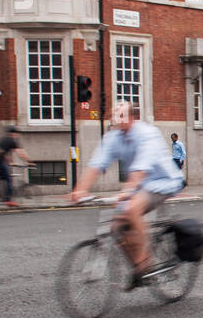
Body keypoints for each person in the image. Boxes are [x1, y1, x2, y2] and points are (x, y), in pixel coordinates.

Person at [71, 102, 185, 285]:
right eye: (116, 116)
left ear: (132, 118)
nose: (118, 120)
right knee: (117, 227)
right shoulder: (113, 137)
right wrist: (80, 190)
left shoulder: (147, 134)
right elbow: (96, 164)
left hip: (163, 181)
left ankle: (145, 261)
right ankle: (140, 269)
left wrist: (127, 191)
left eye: (122, 116)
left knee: (131, 209)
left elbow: (140, 169)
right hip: (140, 185)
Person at [0, 127, 33, 207]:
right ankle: (8, 200)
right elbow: (21, 154)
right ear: (14, 133)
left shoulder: (3, 139)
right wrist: (29, 161)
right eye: (17, 134)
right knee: (9, 180)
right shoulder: (12, 141)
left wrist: (11, 162)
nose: (17, 136)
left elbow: (4, 153)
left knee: (2, 177)